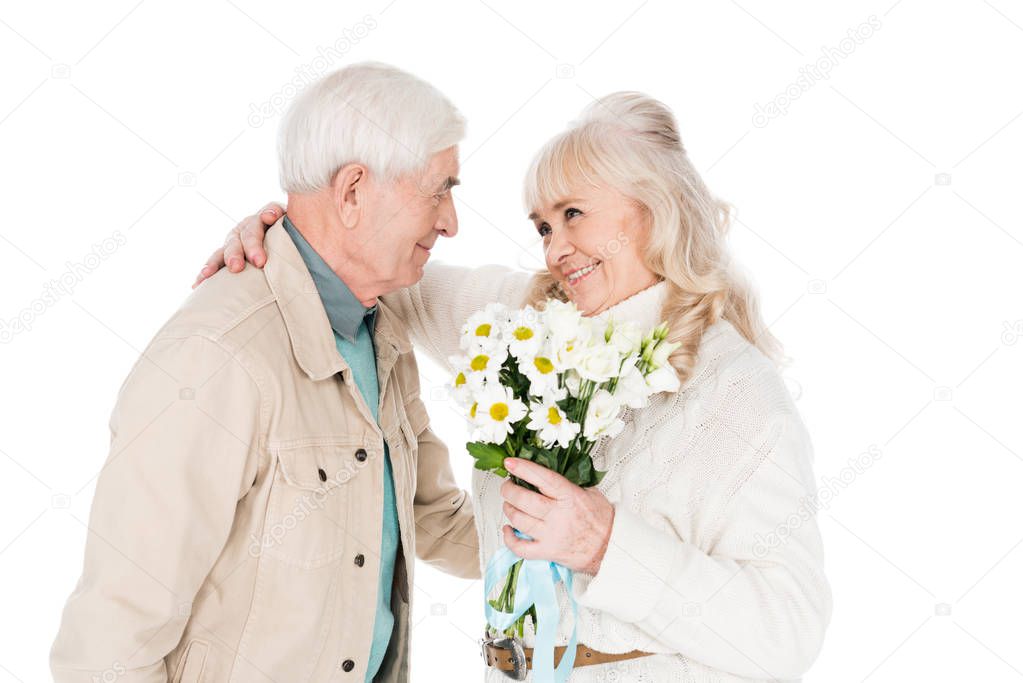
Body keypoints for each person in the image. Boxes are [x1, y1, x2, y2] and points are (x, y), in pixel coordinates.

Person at [197, 92, 832, 681]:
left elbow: (790, 629)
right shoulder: (526, 319)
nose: (557, 250)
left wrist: (607, 545)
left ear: (651, 211)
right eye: (544, 227)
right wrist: (287, 235)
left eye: (573, 214)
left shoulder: (734, 388)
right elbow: (377, 267)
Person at [51, 62, 479, 683]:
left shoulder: (381, 333)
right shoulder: (218, 355)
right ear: (354, 191)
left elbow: (431, 517)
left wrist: (593, 546)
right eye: (439, 189)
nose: (450, 221)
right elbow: (111, 640)